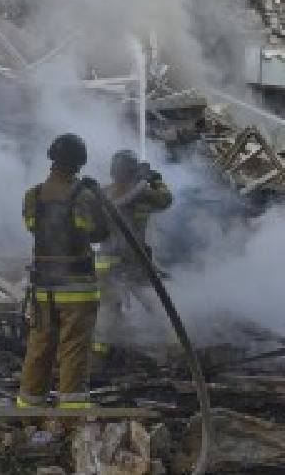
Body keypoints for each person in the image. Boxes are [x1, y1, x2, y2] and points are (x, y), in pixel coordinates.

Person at [16, 134, 109, 408]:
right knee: (74, 349)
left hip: (43, 288)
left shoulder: (33, 196)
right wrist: (98, 200)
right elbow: (99, 233)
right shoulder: (83, 195)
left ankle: (28, 407)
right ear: (80, 162)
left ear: (52, 159)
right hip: (77, 289)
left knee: (39, 346)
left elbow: (34, 228)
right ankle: (71, 413)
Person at [93, 150, 173, 374]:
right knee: (149, 307)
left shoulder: (110, 193)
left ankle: (100, 358)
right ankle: (171, 349)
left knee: (112, 312)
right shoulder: (135, 194)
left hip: (121, 264)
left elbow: (166, 200)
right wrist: (154, 180)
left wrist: (151, 181)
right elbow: (165, 199)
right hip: (126, 264)